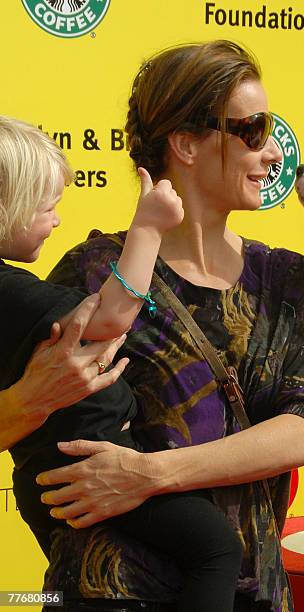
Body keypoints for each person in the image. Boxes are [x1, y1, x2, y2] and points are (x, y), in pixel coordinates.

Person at [37, 40, 304, 611]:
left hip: (253, 590)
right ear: (185, 143)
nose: (274, 152)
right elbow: (41, 418)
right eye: (253, 130)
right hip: (115, 590)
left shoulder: (287, 281)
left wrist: (151, 474)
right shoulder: (95, 272)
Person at [0, 116, 247, 612]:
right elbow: (111, 316)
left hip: (50, 469)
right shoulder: (12, 290)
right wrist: (148, 230)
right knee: (218, 547)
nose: (57, 221)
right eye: (48, 208)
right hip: (82, 466)